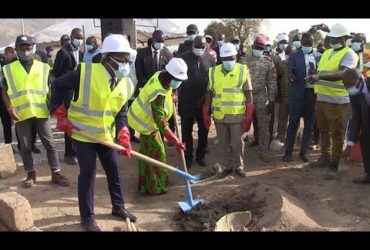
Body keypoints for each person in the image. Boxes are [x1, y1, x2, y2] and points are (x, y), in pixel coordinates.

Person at [51, 34, 137, 231]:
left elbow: (120, 111)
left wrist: (123, 131)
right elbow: (56, 85)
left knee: (114, 171)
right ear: (109, 58)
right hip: (83, 135)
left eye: (128, 59)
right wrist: (60, 114)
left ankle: (118, 207)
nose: (127, 64)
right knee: (87, 174)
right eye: (123, 59)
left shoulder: (126, 83)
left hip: (105, 136)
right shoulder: (84, 72)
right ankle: (87, 217)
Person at [2, 35, 70, 188]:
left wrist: (53, 105)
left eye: (28, 47)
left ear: (33, 47)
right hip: (21, 113)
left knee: (50, 144)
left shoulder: (43, 66)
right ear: (17, 49)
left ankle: (56, 173)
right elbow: (4, 90)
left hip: (41, 111)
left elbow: (50, 88)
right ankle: (30, 174)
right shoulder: (9, 68)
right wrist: (9, 107)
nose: (26, 50)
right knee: (25, 146)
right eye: (22, 47)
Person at [307, 23, 359, 180]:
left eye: (336, 38)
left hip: (338, 102)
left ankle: (334, 164)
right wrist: (314, 73)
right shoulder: (327, 52)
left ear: (344, 39)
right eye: (332, 38)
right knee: (323, 131)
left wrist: (320, 77)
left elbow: (343, 74)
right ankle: (325, 157)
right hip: (322, 98)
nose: (332, 40)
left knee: (336, 134)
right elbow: (322, 71)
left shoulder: (349, 54)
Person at [128, 58, 187, 195]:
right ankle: (157, 187)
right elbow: (161, 122)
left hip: (144, 120)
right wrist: (175, 141)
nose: (179, 83)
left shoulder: (160, 75)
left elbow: (166, 91)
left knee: (147, 154)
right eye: (177, 79)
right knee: (158, 154)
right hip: (146, 123)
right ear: (170, 77)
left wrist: (170, 95)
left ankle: (146, 185)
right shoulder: (157, 94)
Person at [204, 43, 254, 177]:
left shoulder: (243, 70)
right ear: (221, 59)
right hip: (219, 114)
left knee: (237, 143)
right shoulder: (213, 72)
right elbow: (209, 94)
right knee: (223, 143)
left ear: (236, 57)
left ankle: (238, 166)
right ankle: (226, 166)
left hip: (236, 114)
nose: (229, 62)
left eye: (231, 58)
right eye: (225, 59)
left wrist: (249, 117)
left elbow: (249, 95)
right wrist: (206, 113)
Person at [178, 36, 215, 168]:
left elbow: (212, 79)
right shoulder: (182, 58)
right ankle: (188, 156)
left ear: (206, 47)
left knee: (204, 130)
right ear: (192, 46)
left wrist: (209, 99)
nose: (199, 49)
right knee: (186, 131)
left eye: (202, 47)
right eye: (197, 47)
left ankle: (201, 155)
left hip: (203, 101)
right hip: (187, 100)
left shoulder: (210, 58)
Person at [283, 33, 320, 162]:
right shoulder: (294, 56)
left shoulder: (318, 56)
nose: (307, 46)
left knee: (309, 125)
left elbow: (322, 73)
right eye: (305, 44)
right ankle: (288, 152)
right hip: (297, 94)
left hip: (312, 94)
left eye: (309, 44)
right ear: (301, 44)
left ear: (313, 43)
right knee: (293, 124)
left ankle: (303, 152)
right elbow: (289, 72)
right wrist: (291, 76)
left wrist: (316, 75)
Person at [240, 36, 277, 162]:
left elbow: (272, 82)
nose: (259, 50)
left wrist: (271, 101)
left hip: (261, 96)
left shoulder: (268, 61)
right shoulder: (243, 61)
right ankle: (237, 152)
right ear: (252, 47)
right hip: (244, 97)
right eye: (257, 48)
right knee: (241, 124)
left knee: (263, 124)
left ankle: (263, 150)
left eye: (261, 48)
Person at [53, 28, 84, 165]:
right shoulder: (63, 52)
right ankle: (68, 153)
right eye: (78, 37)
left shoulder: (81, 53)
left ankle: (77, 150)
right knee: (69, 122)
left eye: (81, 38)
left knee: (78, 121)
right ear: (72, 37)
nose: (80, 40)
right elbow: (56, 73)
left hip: (78, 92)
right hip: (66, 92)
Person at [1, 46, 40, 153]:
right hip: (5, 94)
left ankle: (30, 144)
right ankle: (11, 146)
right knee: (7, 121)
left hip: (10, 93)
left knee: (13, 120)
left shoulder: (5, 61)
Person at [342, 69, 370, 184]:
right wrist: (349, 145)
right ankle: (369, 174)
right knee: (364, 140)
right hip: (367, 122)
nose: (349, 89)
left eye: (351, 85)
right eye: (347, 86)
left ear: (360, 79)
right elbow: (356, 117)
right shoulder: (354, 93)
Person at [273, 34, 290, 147]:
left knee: (293, 119)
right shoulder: (278, 59)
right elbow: (276, 77)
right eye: (282, 42)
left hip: (294, 97)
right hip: (282, 95)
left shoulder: (296, 62)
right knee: (281, 118)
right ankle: (280, 136)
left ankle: (290, 137)